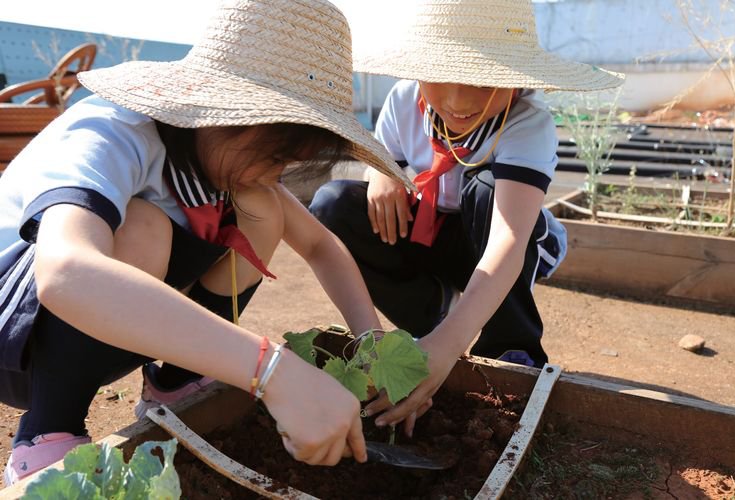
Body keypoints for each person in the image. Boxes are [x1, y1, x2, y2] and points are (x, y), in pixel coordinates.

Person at [0, 0, 414, 485]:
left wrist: (373, 346)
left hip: (108, 325)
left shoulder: (224, 157)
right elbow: (67, 273)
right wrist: (273, 371)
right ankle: (47, 432)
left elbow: (322, 247)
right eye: (279, 154)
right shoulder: (112, 134)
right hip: (20, 339)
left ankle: (176, 384)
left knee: (264, 208)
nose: (280, 171)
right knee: (144, 226)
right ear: (228, 114)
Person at [310, 0, 624, 434]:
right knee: (333, 204)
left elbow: (507, 243)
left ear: (512, 76)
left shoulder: (526, 122)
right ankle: (432, 313)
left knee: (487, 186)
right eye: (440, 77)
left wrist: (447, 350)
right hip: (432, 229)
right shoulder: (405, 101)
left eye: (481, 80)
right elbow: (386, 165)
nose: (458, 101)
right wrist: (379, 174)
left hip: (501, 238)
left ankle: (509, 349)